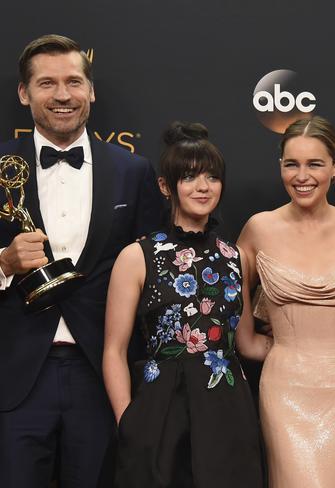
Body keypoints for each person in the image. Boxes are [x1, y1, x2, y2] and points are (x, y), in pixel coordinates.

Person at [0, 34, 162, 488]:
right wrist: (5, 262)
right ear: (23, 93)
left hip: (101, 373)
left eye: (74, 81)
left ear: (91, 90)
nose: (63, 95)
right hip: (15, 376)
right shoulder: (0, 167)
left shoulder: (134, 172)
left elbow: (156, 276)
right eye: (47, 83)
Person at [103, 122, 264, 487]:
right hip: (159, 411)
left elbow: (248, 343)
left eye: (212, 176)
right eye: (189, 177)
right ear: (165, 186)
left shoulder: (236, 256)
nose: (203, 187)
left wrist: (321, 337)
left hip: (227, 409)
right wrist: (127, 420)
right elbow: (114, 350)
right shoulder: (138, 256)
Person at [236, 115, 335, 488]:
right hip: (285, 388)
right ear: (281, 167)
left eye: (315, 164)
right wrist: (276, 346)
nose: (302, 176)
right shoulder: (259, 229)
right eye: (292, 164)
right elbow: (240, 331)